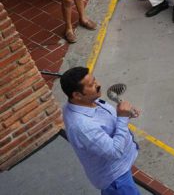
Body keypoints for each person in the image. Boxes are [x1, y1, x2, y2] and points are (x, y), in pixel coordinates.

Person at [60, 67, 141, 195]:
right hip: (117, 179)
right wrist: (122, 118)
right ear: (77, 95)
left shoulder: (86, 100)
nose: (98, 85)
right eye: (91, 85)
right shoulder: (82, 127)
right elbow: (114, 152)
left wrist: (125, 114)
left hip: (122, 166)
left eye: (95, 80)